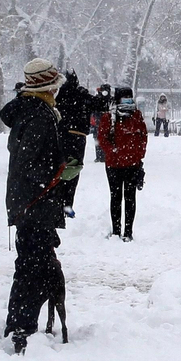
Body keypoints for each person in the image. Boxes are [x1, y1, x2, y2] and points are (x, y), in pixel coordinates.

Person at [1, 58, 71, 353]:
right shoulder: (39, 115)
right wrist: (58, 172)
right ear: (46, 88)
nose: (56, 93)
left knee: (31, 265)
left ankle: (20, 324)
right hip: (34, 204)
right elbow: (30, 163)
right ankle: (22, 329)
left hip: (27, 203)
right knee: (36, 268)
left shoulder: (29, 110)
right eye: (54, 88)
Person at [97, 85, 148, 240]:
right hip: (129, 164)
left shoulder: (110, 116)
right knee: (128, 197)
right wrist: (137, 155)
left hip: (115, 165)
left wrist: (113, 152)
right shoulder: (135, 116)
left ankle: (118, 231)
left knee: (117, 197)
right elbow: (143, 138)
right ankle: (126, 232)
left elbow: (102, 138)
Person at [54, 73, 93, 217]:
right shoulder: (81, 94)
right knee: (74, 169)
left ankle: (58, 204)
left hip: (62, 134)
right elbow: (98, 104)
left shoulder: (59, 95)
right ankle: (68, 204)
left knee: (59, 169)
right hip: (78, 136)